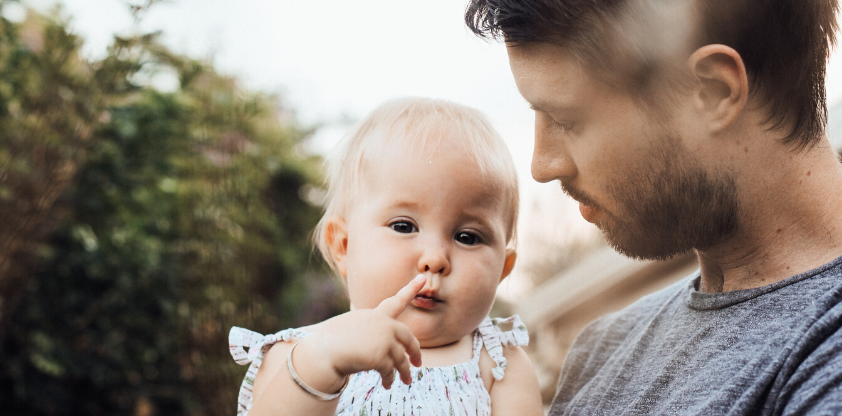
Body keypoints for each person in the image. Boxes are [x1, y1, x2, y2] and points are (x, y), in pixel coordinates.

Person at [466, 0, 842, 414]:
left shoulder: (825, 347)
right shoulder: (601, 349)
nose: (543, 165)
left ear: (714, 92)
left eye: (566, 119)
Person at [227, 97, 544, 415]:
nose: (434, 259)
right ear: (344, 246)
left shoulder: (499, 364)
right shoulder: (298, 354)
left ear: (503, 269)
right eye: (404, 226)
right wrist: (318, 367)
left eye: (467, 237)